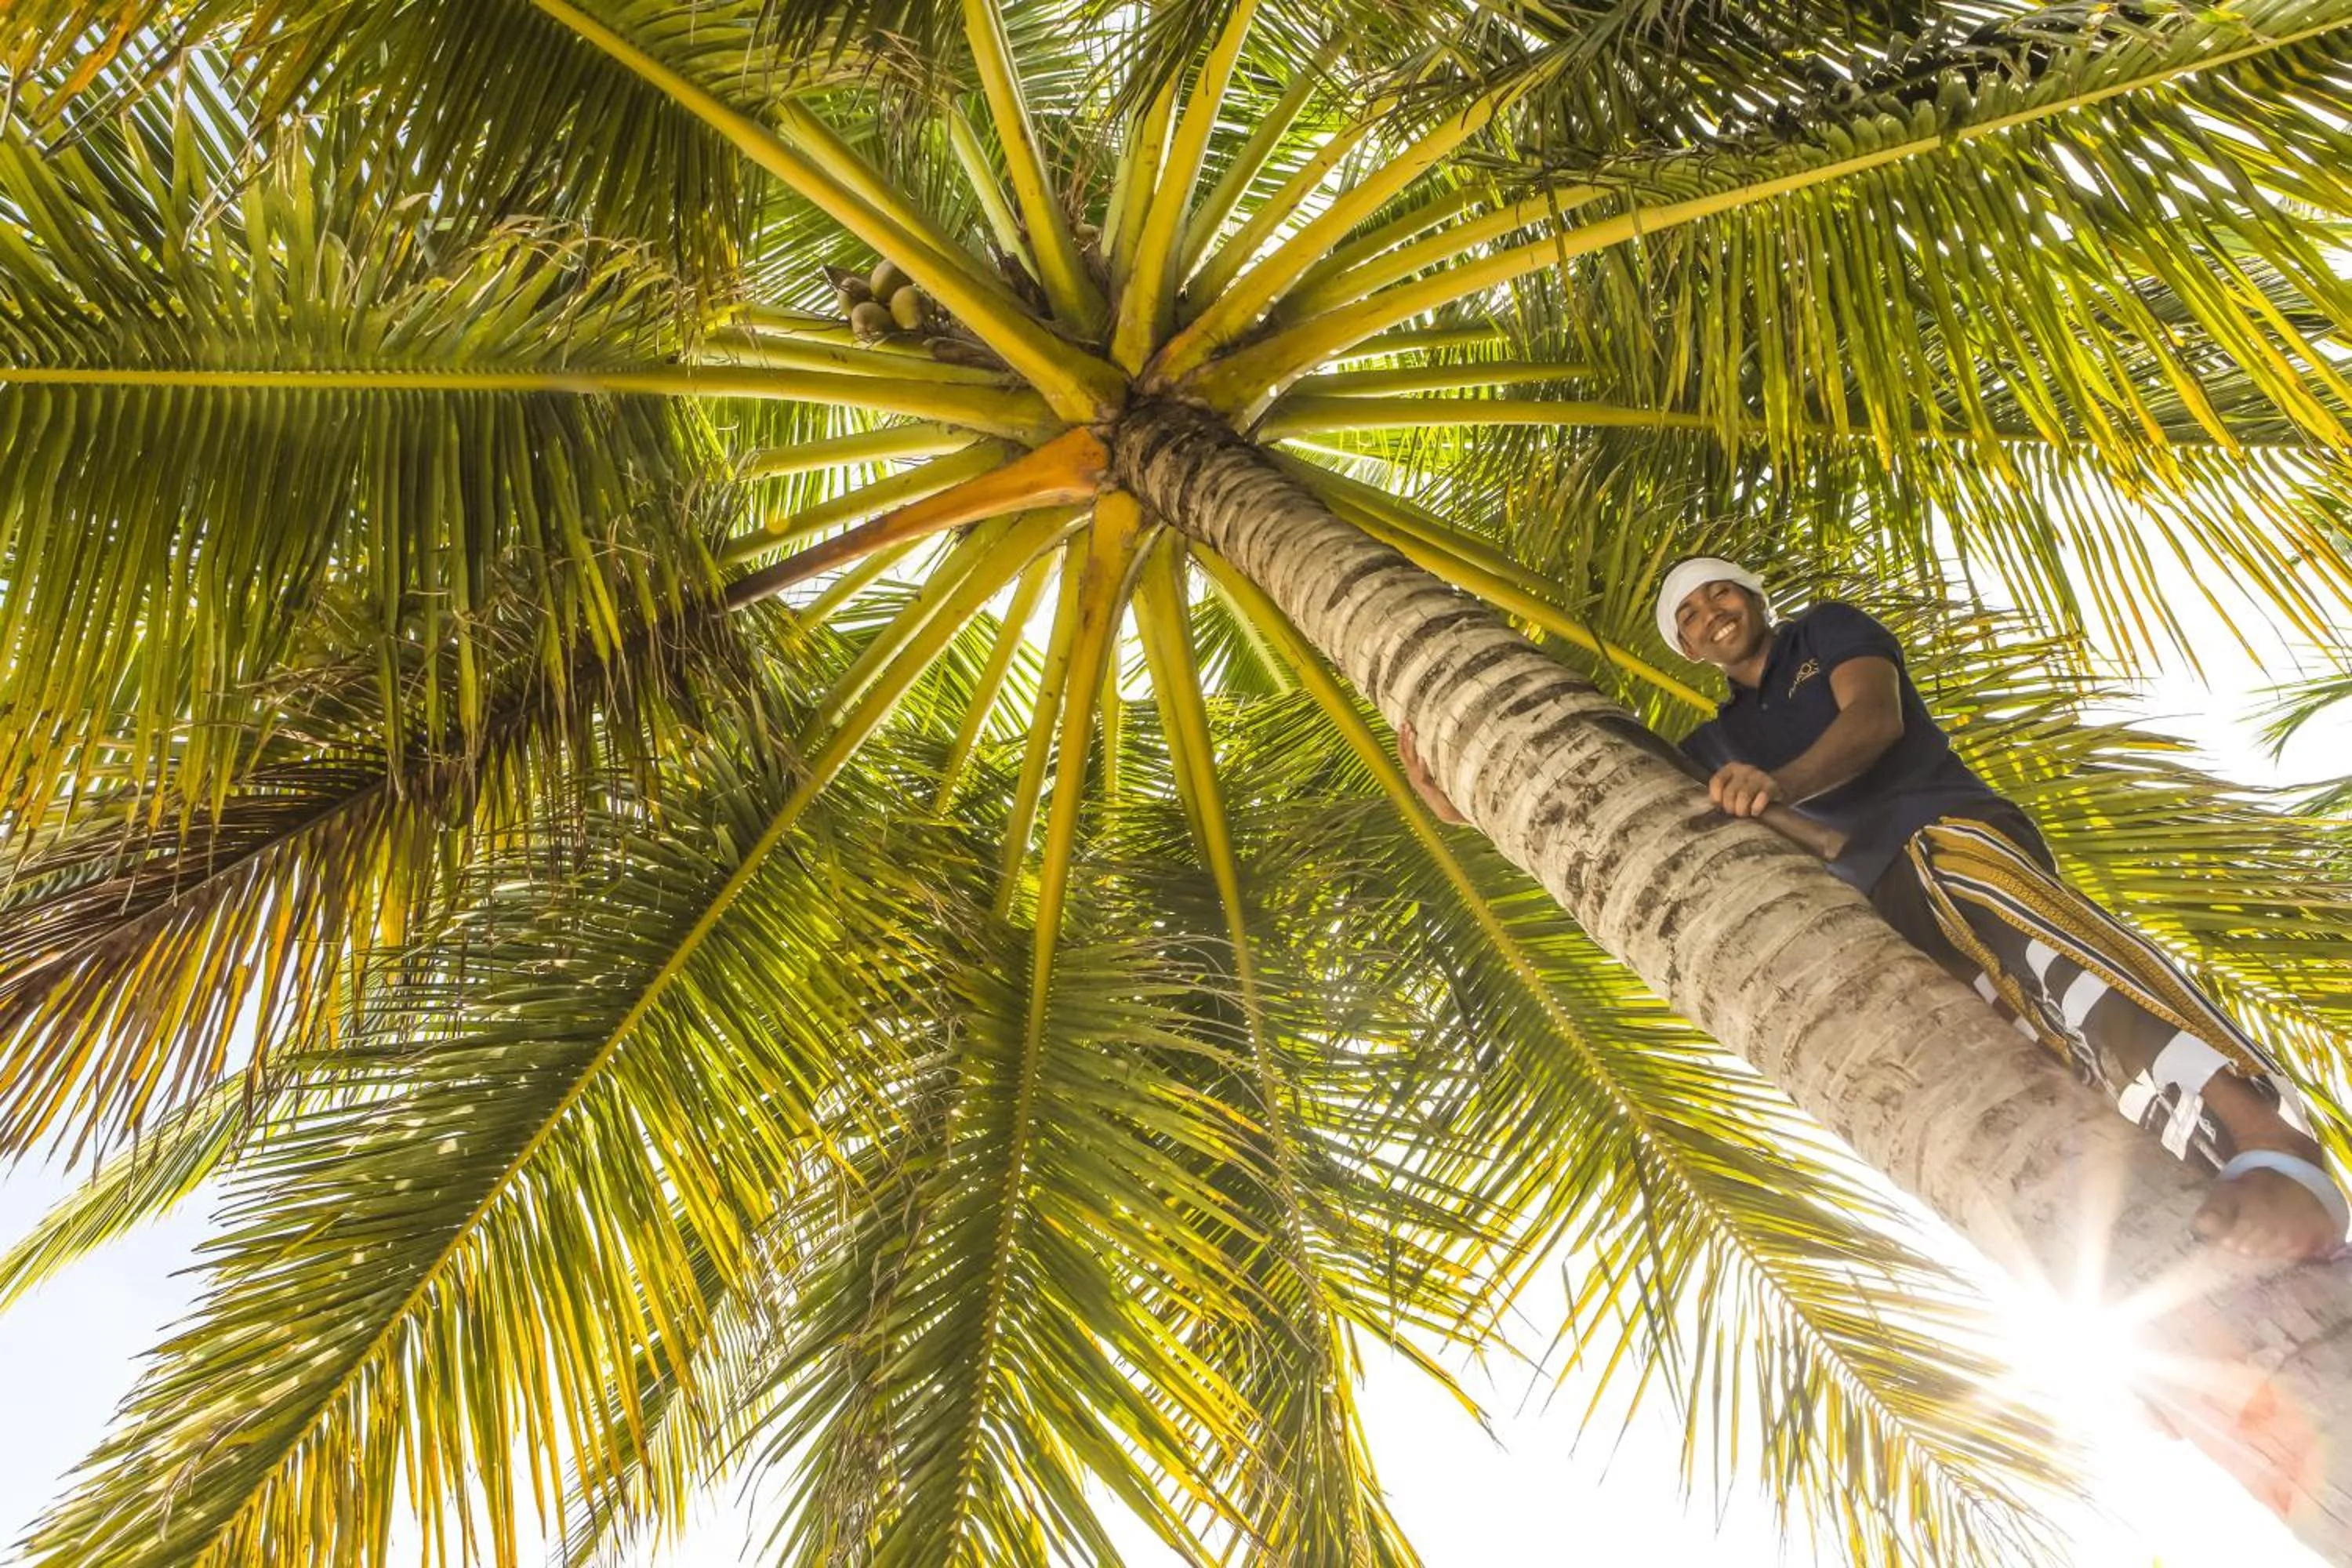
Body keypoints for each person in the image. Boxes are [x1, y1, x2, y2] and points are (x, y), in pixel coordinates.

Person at [1397, 556, 2348, 1261]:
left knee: (2075, 977)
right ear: (1684, 646)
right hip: (1877, 906)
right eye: (1687, 614)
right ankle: (2191, 1230)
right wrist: (1476, 802)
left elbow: (1875, 719)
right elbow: (1625, 819)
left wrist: (1777, 780)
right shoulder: (1709, 740)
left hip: (1945, 836)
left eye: (1718, 591)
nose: (1709, 612)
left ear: (1753, 596)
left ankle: (2276, 1149)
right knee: (2044, 1065)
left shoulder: (1825, 635)